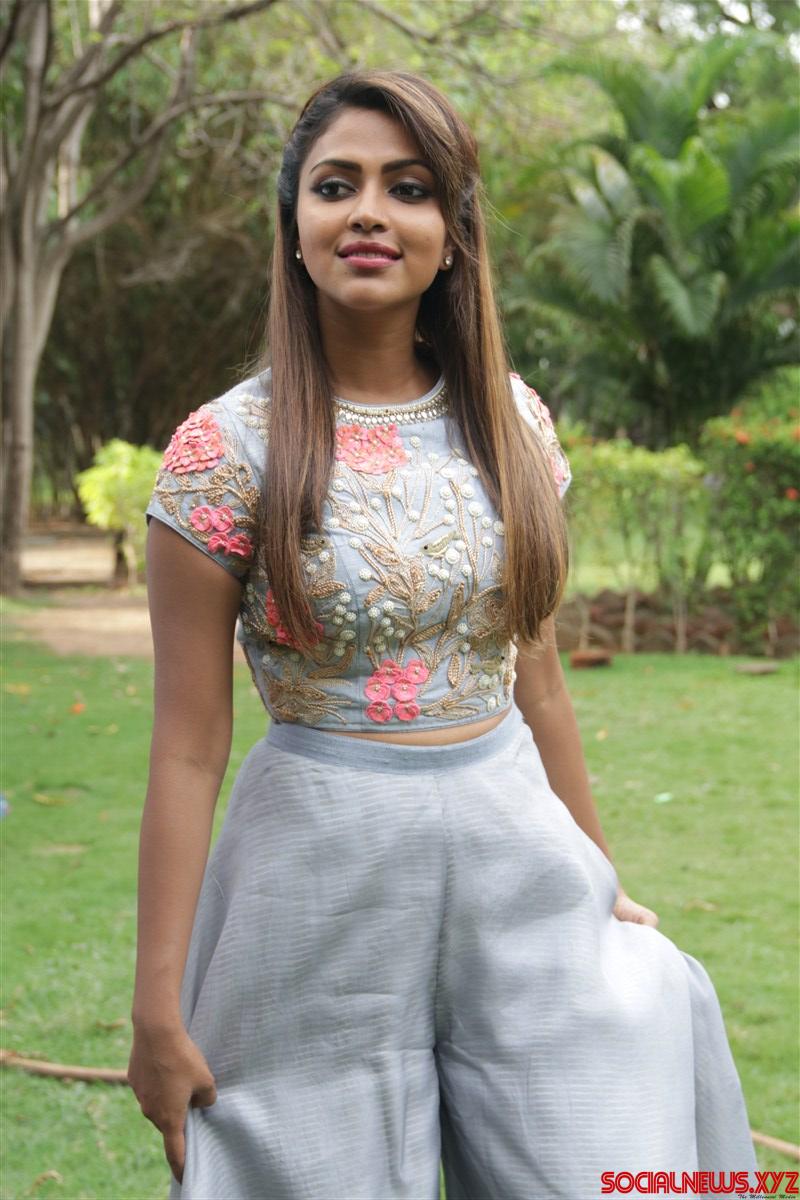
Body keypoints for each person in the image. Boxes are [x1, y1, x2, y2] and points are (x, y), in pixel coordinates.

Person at [128, 69, 758, 1200]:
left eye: (407, 188)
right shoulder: (222, 453)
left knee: (593, 1157)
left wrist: (598, 873)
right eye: (336, 185)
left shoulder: (511, 423)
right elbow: (186, 745)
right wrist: (155, 1010)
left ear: (453, 233)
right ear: (293, 226)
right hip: (311, 881)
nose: (368, 212)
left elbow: (540, 681)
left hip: (516, 856)